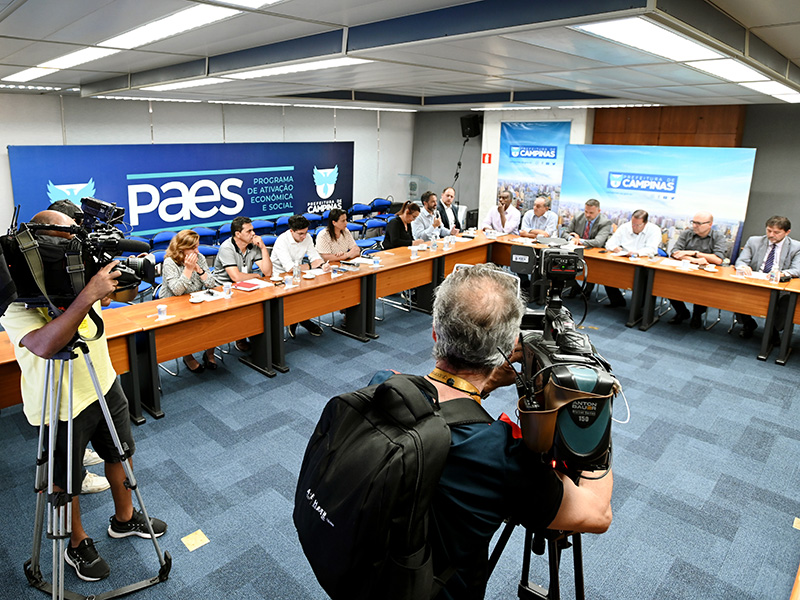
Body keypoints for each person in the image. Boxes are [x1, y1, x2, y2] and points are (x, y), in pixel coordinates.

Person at [426, 263, 613, 599]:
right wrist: (596, 424)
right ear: (509, 344)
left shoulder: (383, 386)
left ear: (436, 332)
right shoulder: (500, 453)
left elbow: (447, 404)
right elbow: (597, 514)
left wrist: (486, 383)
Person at [0, 210, 167, 583]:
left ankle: (125, 518)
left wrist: (123, 278)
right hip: (59, 403)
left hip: (103, 383)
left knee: (121, 454)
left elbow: (113, 300)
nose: (75, 248)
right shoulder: (15, 295)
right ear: (43, 247)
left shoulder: (77, 269)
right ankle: (76, 543)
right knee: (65, 481)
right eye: (68, 242)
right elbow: (44, 344)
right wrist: (88, 293)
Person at [160, 229, 218, 372]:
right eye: (193, 248)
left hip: (196, 299)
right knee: (184, 327)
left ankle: (209, 353)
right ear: (181, 248)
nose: (197, 251)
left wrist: (200, 270)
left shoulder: (200, 257)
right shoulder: (169, 262)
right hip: (174, 303)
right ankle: (188, 356)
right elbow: (177, 290)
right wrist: (188, 269)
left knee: (216, 318)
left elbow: (212, 284)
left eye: (197, 246)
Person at [734, 216, 800, 341]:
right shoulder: (754, 241)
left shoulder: (796, 247)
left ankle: (774, 329)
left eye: (776, 232)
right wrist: (743, 266)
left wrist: (782, 273)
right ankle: (748, 323)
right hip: (755, 282)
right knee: (735, 291)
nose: (771, 235)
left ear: (787, 232)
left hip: (779, 285)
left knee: (787, 300)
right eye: (769, 230)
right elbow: (741, 261)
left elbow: (797, 270)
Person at [214, 216, 272, 351]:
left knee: (264, 304)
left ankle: (257, 338)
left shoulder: (253, 245)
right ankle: (241, 337)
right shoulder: (227, 248)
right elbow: (236, 277)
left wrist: (263, 248)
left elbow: (268, 272)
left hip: (245, 285)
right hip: (223, 288)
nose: (253, 234)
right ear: (238, 234)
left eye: (253, 230)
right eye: (249, 231)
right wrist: (256, 276)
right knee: (246, 307)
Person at [271, 214, 330, 338]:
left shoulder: (307, 237)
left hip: (299, 273)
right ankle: (301, 320)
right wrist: (311, 265)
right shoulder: (282, 240)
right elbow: (290, 268)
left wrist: (322, 265)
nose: (304, 236)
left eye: (305, 232)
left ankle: (299, 319)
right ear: (291, 231)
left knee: (313, 292)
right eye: (300, 234)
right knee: (298, 295)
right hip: (280, 276)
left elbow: (314, 257)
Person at [668, 211, 726, 328]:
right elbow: (675, 253)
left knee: (702, 288)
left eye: (699, 223)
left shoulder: (718, 236)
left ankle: (697, 315)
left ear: (710, 224)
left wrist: (694, 253)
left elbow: (718, 259)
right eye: (693, 222)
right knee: (668, 284)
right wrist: (695, 260)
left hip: (706, 274)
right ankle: (682, 312)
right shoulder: (687, 233)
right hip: (685, 270)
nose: (695, 226)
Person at [602, 210, 662, 308]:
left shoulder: (654, 230)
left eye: (638, 225)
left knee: (644, 278)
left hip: (643, 261)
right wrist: (614, 248)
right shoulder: (625, 227)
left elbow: (652, 249)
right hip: (624, 258)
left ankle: (640, 308)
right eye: (633, 224)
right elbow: (609, 244)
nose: (634, 227)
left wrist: (637, 253)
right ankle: (617, 300)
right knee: (607, 271)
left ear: (645, 223)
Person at [561, 199, 612, 298]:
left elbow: (598, 242)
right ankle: (575, 287)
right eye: (586, 211)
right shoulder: (578, 217)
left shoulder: (605, 222)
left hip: (594, 253)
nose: (588, 215)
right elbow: (565, 233)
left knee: (591, 266)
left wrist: (579, 240)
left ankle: (587, 291)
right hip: (576, 250)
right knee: (562, 264)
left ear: (599, 211)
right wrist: (571, 238)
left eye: (591, 213)